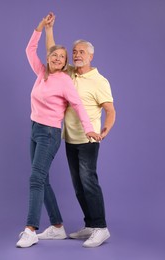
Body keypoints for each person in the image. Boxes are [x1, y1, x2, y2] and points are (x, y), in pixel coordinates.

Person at [16, 14, 101, 248]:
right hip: (34, 130)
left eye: (62, 57)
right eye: (54, 54)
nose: (58, 58)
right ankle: (57, 227)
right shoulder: (41, 73)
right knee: (42, 180)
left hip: (49, 134)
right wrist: (42, 27)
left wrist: (90, 129)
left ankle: (30, 229)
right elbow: (29, 49)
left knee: (35, 178)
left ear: (65, 63)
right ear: (49, 58)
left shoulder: (64, 81)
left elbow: (78, 106)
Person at [44, 12, 116, 248]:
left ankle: (101, 228)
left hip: (89, 139)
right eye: (75, 52)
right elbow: (52, 53)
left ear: (91, 56)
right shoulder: (70, 73)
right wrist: (49, 29)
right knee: (77, 184)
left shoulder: (100, 81)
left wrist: (105, 129)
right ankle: (90, 224)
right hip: (69, 138)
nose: (76, 55)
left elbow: (110, 110)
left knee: (89, 181)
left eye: (81, 52)